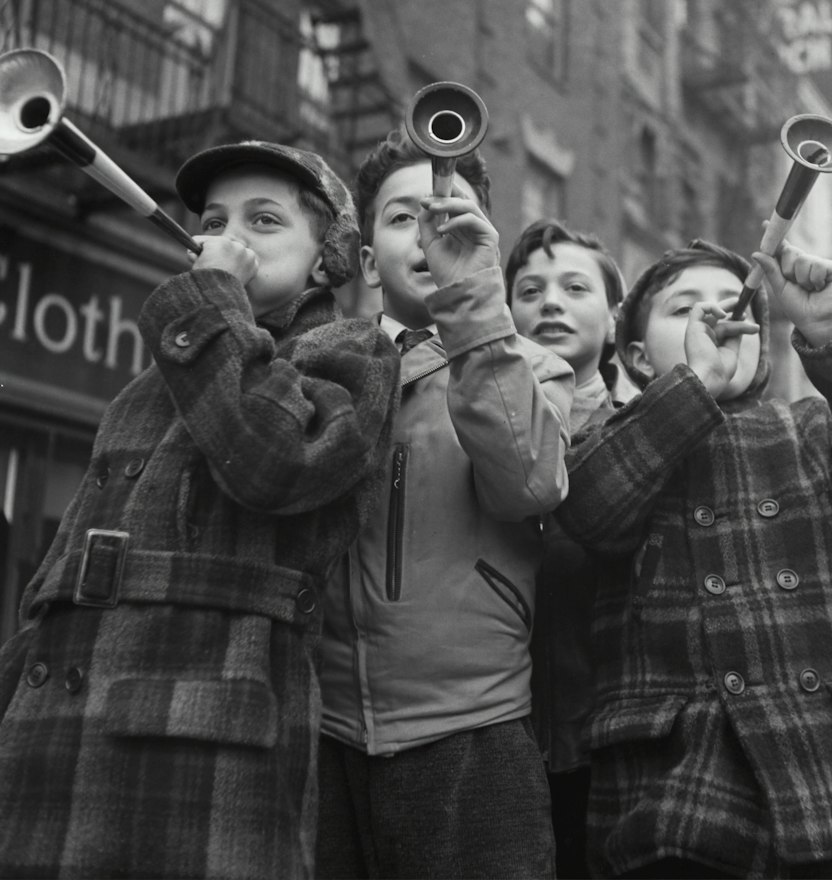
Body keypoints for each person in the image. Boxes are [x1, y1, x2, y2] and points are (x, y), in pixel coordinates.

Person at [0, 141, 400, 879]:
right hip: (50, 739)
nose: (228, 234)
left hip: (194, 748)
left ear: (327, 260)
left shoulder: (354, 353)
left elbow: (278, 464)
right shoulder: (155, 380)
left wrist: (214, 298)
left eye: (266, 219)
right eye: (215, 218)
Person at [554, 236, 832, 878]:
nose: (716, 318)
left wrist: (831, 328)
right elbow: (590, 512)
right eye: (684, 309)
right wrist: (693, 389)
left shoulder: (815, 431)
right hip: (675, 804)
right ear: (635, 357)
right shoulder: (607, 439)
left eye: (730, 303)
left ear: (761, 344)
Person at [315, 128, 573, 878]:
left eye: (451, 215)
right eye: (403, 219)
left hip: (474, 732)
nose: (430, 231)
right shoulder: (324, 362)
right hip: (326, 729)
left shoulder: (536, 368)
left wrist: (471, 307)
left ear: (488, 245)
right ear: (366, 260)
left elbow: (529, 484)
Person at [505, 217, 633, 878]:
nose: (549, 301)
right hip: (499, 741)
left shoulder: (645, 439)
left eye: (573, 287)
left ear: (614, 321)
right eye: (529, 290)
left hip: (613, 749)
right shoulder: (474, 430)